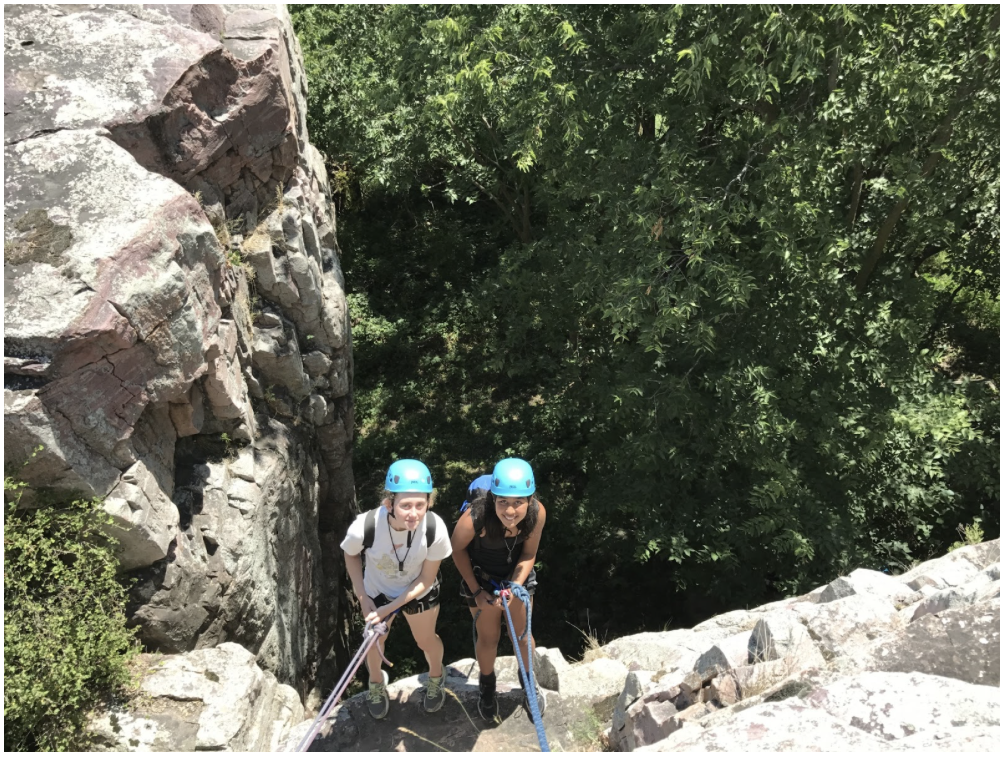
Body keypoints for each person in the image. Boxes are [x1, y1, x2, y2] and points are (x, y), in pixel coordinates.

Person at [341, 459, 452, 718]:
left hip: (417, 590)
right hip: (376, 590)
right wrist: (362, 597)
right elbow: (350, 555)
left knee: (426, 640)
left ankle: (436, 676)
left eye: (420, 505)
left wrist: (391, 607)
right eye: (405, 506)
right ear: (389, 504)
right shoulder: (365, 527)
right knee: (373, 643)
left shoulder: (434, 529)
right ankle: (376, 683)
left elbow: (426, 578)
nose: (413, 513)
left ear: (428, 503)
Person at [451, 457, 547, 721]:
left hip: (517, 576)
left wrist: (515, 587)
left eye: (519, 502)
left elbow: (528, 554)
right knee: (488, 638)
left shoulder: (537, 514)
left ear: (530, 500)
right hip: (481, 581)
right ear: (493, 499)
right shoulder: (475, 519)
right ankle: (487, 684)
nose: (510, 511)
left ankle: (528, 681)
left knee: (523, 635)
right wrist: (475, 592)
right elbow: (457, 550)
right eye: (503, 501)